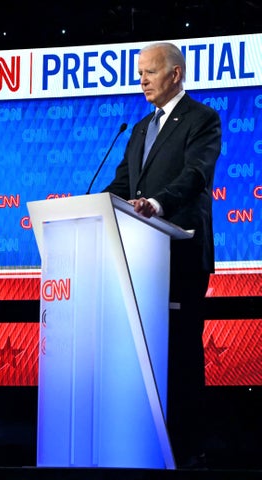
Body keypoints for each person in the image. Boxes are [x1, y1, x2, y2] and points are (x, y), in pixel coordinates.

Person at [101, 42, 221, 468]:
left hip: (182, 254)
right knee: (145, 351)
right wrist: (88, 207)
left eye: (149, 73)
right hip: (140, 260)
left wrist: (156, 204)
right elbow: (121, 186)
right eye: (139, 74)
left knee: (181, 350)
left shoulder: (202, 120)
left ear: (175, 74)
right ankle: (147, 440)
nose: (142, 81)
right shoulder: (137, 129)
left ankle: (188, 448)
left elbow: (195, 176)